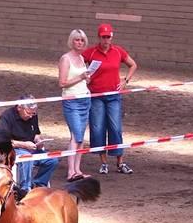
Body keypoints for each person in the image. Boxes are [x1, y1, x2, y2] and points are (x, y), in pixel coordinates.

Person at [83, 23, 138, 175]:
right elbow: (78, 64)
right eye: (103, 37)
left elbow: (132, 65)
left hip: (114, 95)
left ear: (111, 37)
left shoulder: (118, 51)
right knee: (98, 127)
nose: (106, 40)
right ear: (99, 37)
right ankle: (103, 162)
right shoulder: (91, 53)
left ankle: (120, 161)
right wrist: (84, 78)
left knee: (115, 127)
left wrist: (125, 80)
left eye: (108, 37)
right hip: (96, 95)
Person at [0, 95, 59, 199]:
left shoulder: (33, 116)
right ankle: (24, 189)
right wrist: (23, 144)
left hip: (31, 148)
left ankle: (38, 184)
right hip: (14, 149)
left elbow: (36, 133)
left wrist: (39, 141)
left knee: (52, 160)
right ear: (19, 107)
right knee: (27, 158)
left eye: (33, 113)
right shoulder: (6, 117)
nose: (31, 116)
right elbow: (4, 141)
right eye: (28, 113)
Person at [58, 29, 92, 182]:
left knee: (81, 137)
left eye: (82, 40)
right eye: (77, 40)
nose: (80, 42)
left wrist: (86, 79)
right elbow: (62, 83)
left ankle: (77, 169)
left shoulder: (81, 58)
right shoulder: (66, 59)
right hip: (71, 100)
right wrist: (80, 77)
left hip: (85, 98)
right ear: (72, 41)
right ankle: (71, 171)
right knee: (75, 135)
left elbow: (82, 79)